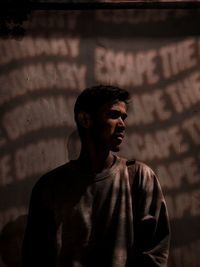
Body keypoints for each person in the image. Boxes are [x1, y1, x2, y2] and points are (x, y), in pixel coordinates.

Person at [22, 85, 170, 267]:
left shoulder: (140, 177)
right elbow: (35, 255)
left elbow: (155, 253)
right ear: (85, 119)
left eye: (124, 117)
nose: (122, 124)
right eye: (114, 115)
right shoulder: (50, 187)